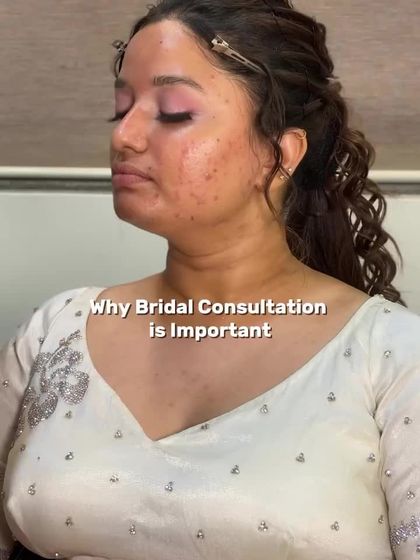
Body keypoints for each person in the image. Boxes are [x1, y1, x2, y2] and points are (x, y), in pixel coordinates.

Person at [1, 0, 419, 558]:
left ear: (279, 154)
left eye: (173, 111)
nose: (124, 136)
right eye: (122, 108)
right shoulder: (56, 332)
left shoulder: (391, 358)